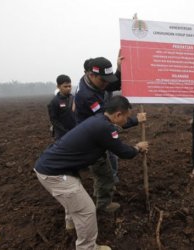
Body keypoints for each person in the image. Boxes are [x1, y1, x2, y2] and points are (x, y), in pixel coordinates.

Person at [34, 95, 149, 250]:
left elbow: (115, 132)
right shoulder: (105, 128)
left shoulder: (99, 119)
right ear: (118, 115)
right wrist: (138, 147)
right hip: (55, 174)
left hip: (53, 167)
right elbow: (123, 152)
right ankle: (87, 247)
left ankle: (71, 224)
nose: (126, 121)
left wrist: (135, 121)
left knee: (74, 198)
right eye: (127, 117)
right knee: (86, 210)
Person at [74, 56, 146, 212]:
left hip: (93, 132)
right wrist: (134, 123)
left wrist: (119, 69)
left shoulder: (91, 81)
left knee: (106, 167)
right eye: (103, 81)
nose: (106, 84)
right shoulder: (88, 96)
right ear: (91, 75)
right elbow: (112, 120)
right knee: (104, 172)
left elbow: (113, 84)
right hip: (91, 139)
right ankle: (103, 205)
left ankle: (103, 190)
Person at [47, 74, 76, 140]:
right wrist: (65, 132)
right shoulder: (54, 102)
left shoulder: (75, 98)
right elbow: (54, 120)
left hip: (75, 132)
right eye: (65, 86)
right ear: (58, 86)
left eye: (70, 86)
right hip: (62, 135)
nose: (68, 88)